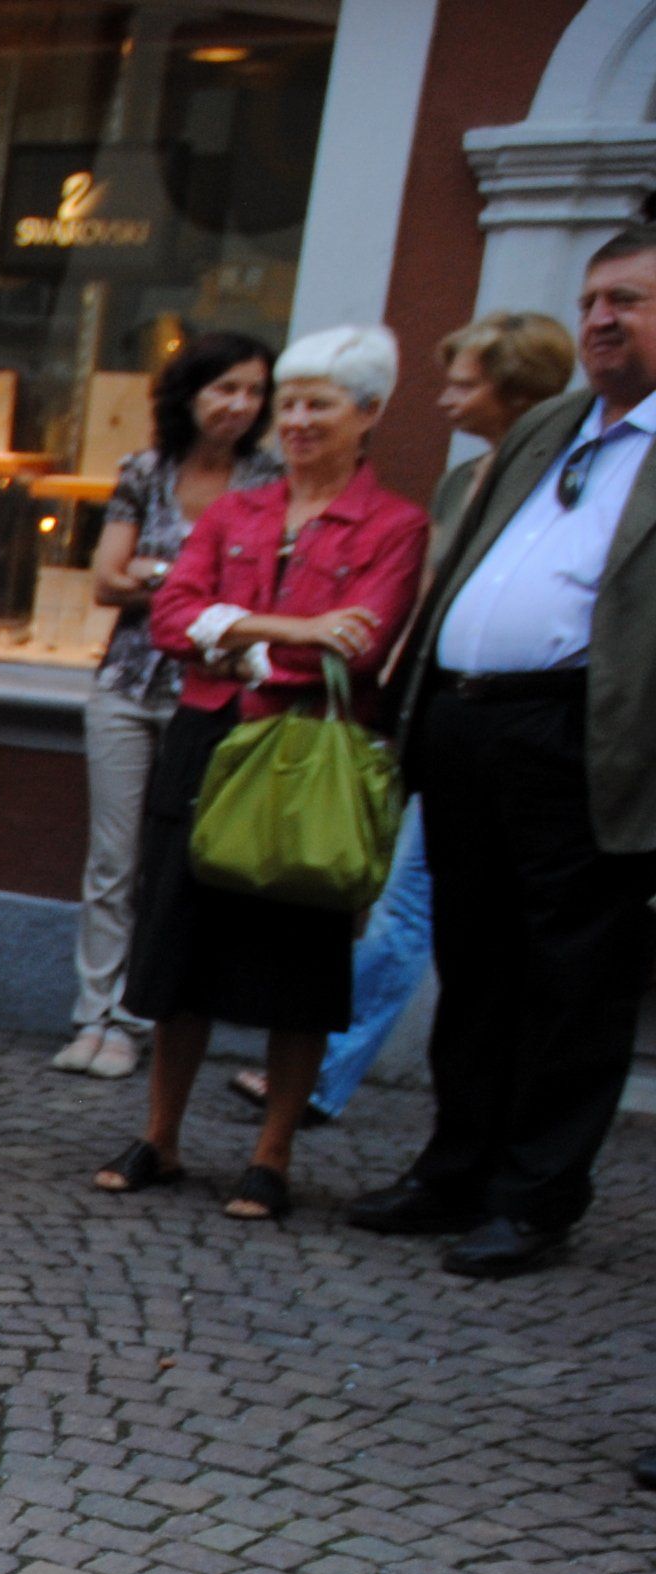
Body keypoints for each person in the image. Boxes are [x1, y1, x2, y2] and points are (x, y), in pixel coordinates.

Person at [358, 227, 656, 1277]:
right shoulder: (551, 425)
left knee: (573, 980)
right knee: (474, 960)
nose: (599, 320)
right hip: (471, 721)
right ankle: (456, 1169)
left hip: (586, 735)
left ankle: (534, 1197)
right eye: (591, 301)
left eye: (627, 301)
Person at [92, 326, 424, 1225]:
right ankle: (160, 1137)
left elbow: (361, 644)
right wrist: (293, 631)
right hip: (207, 740)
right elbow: (170, 616)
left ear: (369, 413)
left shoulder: (394, 526)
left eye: (321, 404)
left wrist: (235, 641)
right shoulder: (239, 511)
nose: (298, 421)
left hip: (307, 752)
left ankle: (270, 1155)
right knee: (179, 945)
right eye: (292, 403)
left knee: (299, 957)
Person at [243, 310, 574, 1125]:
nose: (446, 399)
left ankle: (328, 1076)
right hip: (437, 719)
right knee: (410, 901)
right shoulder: (461, 482)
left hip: (518, 727)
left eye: (465, 384)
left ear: (517, 392)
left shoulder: (559, 477)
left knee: (410, 908)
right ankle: (334, 1076)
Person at [57, 333, 276, 1081]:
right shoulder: (146, 472)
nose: (238, 405)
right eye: (224, 388)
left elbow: (252, 599)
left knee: (175, 866)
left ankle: (136, 1017)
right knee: (112, 860)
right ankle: (93, 1014)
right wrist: (191, 589)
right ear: (190, 394)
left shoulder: (269, 483)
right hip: (126, 685)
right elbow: (104, 580)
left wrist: (157, 577)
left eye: (253, 391)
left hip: (211, 695)